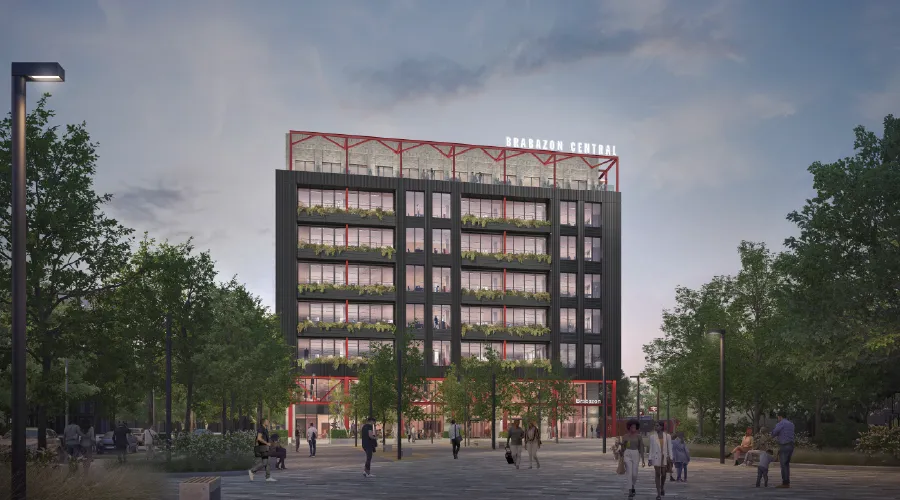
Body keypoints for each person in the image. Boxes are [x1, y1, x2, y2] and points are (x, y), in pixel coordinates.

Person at [648, 421, 673, 500]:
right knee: (658, 473)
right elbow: (651, 448)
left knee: (664, 474)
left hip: (664, 457)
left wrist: (671, 458)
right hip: (656, 457)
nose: (656, 427)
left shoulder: (667, 436)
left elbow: (670, 448)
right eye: (655, 425)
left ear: (662, 427)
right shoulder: (652, 437)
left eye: (657, 426)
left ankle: (662, 487)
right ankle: (658, 493)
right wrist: (650, 459)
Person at [621, 419, 645, 499]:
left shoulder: (639, 436)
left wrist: (643, 459)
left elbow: (641, 447)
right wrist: (622, 446)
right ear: (629, 427)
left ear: (637, 427)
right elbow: (623, 448)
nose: (633, 429)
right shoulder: (625, 436)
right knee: (629, 472)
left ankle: (632, 485)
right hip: (627, 453)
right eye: (631, 427)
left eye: (634, 427)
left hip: (636, 453)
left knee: (634, 473)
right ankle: (630, 490)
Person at [771, 412, 795, 488]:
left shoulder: (781, 423)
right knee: (786, 464)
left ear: (780, 417)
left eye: (777, 417)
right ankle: (787, 482)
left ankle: (785, 483)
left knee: (783, 465)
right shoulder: (791, 424)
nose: (777, 419)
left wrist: (773, 434)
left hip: (784, 445)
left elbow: (774, 433)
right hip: (791, 445)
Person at [249, 418, 276, 482]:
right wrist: (267, 443)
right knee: (265, 463)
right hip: (263, 447)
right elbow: (259, 438)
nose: (268, 422)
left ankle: (268, 477)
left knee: (267, 462)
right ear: (263, 422)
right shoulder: (261, 429)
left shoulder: (265, 429)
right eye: (267, 421)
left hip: (265, 447)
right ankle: (252, 470)